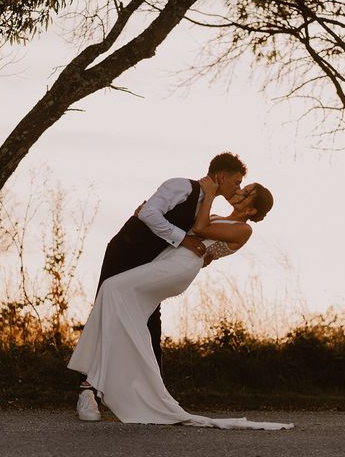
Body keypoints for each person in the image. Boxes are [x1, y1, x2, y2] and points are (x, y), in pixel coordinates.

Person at [68, 176, 293, 430]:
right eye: (242, 186)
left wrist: (208, 193)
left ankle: (94, 380)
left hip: (181, 267)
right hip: (168, 260)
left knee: (111, 289)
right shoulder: (218, 215)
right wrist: (145, 213)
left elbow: (202, 228)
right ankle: (120, 384)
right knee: (125, 309)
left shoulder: (244, 229)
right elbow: (183, 227)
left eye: (247, 192)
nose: (240, 191)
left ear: (251, 210)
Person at [90, 152, 247, 372]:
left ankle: (152, 392)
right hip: (126, 251)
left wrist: (205, 255)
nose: (238, 189)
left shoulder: (205, 210)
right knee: (106, 313)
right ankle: (87, 389)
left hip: (153, 265)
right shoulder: (181, 186)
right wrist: (184, 239)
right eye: (237, 182)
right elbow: (149, 213)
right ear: (221, 176)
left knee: (151, 325)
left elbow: (200, 236)